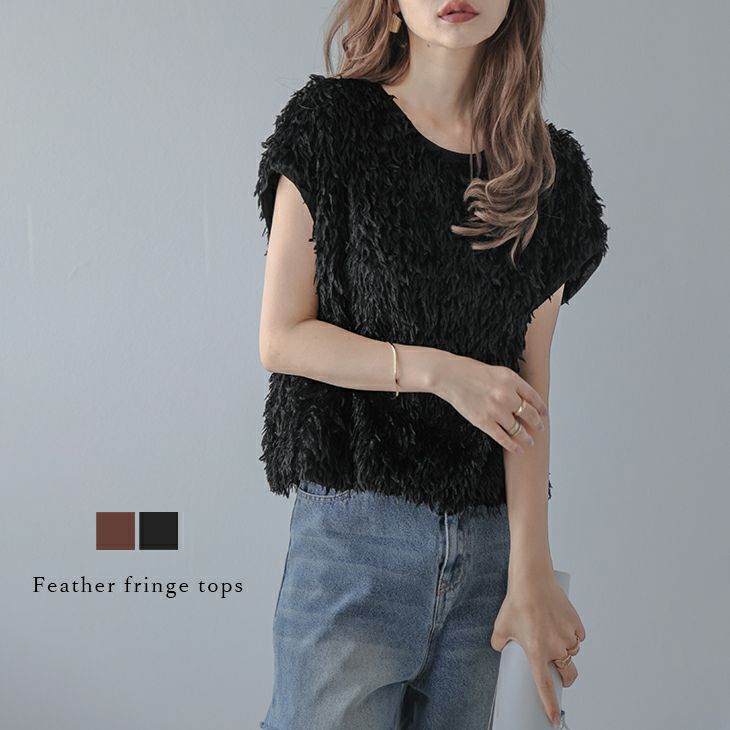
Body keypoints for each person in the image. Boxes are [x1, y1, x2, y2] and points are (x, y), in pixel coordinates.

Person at [254, 1, 609, 728]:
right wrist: (443, 372)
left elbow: (529, 387)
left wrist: (531, 571)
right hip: (355, 542)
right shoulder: (330, 127)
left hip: (491, 557)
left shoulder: (549, 174)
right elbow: (283, 337)